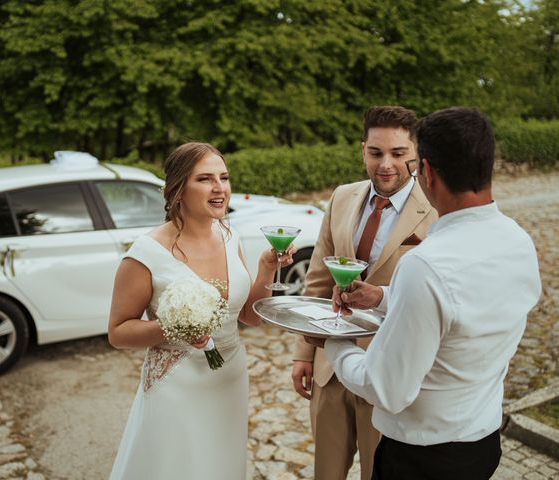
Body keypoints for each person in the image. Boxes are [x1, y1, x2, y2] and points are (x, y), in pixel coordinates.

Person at [306, 107, 542, 479]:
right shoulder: (519, 242)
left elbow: (387, 390)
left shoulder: (426, 264)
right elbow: (460, 309)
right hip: (480, 443)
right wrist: (384, 297)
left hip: (421, 457)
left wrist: (333, 340)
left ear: (425, 171)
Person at [107, 142, 295, 480]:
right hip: (177, 384)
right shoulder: (145, 254)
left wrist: (267, 269)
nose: (219, 188)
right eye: (205, 179)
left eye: (224, 177)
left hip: (229, 378)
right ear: (178, 190)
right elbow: (118, 332)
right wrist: (174, 328)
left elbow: (248, 316)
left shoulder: (228, 235)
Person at [291, 106, 437, 480]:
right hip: (330, 371)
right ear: (363, 151)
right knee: (326, 473)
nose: (385, 164)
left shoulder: (435, 210)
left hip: (389, 373)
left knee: (380, 473)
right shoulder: (342, 197)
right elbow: (318, 282)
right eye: (376, 153)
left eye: (398, 154)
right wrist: (304, 354)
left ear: (417, 155)